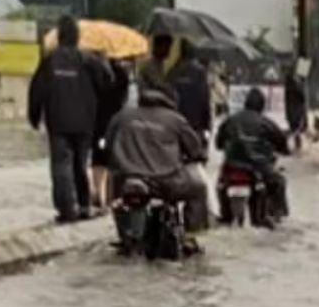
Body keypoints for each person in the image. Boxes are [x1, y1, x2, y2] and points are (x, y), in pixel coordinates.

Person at [28, 16, 117, 223]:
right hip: (85, 122)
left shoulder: (50, 61)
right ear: (77, 37)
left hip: (58, 121)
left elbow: (37, 91)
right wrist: (103, 60)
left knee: (61, 165)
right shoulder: (88, 60)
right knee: (80, 164)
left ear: (59, 36)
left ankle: (67, 208)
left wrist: (34, 116)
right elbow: (108, 82)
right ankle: (84, 205)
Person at [103, 73, 210, 234]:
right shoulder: (176, 120)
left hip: (126, 179)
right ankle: (193, 234)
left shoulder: (121, 117)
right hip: (167, 183)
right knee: (199, 189)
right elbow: (195, 150)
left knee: (117, 194)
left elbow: (107, 146)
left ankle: (125, 233)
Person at [215, 87, 291, 219]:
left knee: (221, 185)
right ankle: (277, 215)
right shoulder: (266, 123)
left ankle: (225, 216)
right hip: (258, 168)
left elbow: (218, 143)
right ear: (262, 106)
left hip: (232, 166)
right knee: (279, 182)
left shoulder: (230, 120)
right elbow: (282, 143)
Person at [92, 58, 133, 207]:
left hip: (99, 120)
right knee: (113, 160)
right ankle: (108, 196)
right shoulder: (122, 75)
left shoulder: (96, 70)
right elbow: (124, 99)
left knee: (98, 158)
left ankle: (97, 192)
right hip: (116, 121)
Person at [170, 39, 214, 138]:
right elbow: (205, 98)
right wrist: (207, 123)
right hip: (195, 124)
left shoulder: (174, 71)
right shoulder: (200, 71)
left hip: (176, 122)